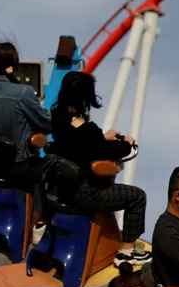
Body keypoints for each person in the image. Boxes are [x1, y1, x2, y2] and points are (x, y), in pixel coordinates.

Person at [49, 72, 149, 265]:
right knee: (137, 196)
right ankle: (127, 251)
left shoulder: (57, 118)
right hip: (86, 193)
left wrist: (102, 138)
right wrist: (127, 143)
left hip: (61, 189)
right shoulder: (89, 131)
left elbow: (82, 147)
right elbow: (109, 151)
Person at [0, 41, 51, 188]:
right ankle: (36, 210)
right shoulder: (25, 92)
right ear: (14, 64)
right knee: (52, 167)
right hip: (20, 164)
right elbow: (46, 123)